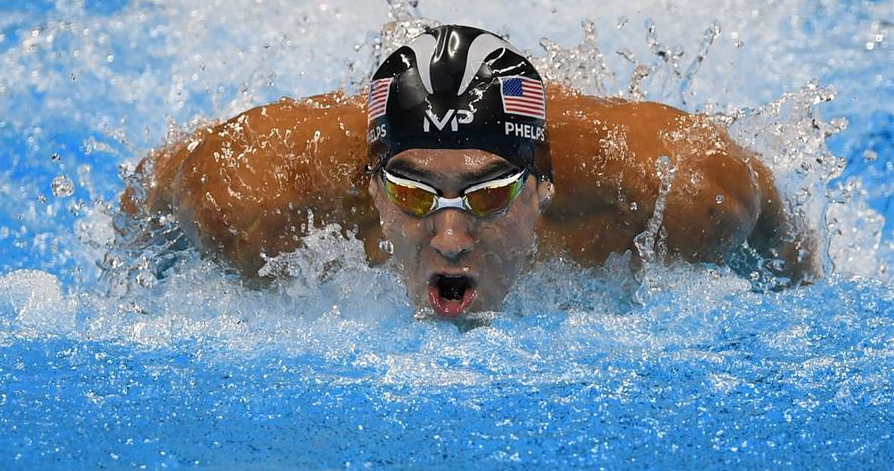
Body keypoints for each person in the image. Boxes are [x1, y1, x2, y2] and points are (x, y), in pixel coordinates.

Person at [120, 24, 818, 318]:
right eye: (410, 191)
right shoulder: (249, 197)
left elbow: (789, 264)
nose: (450, 238)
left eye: (488, 195)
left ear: (542, 188)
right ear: (370, 185)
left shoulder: (680, 196)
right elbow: (146, 203)